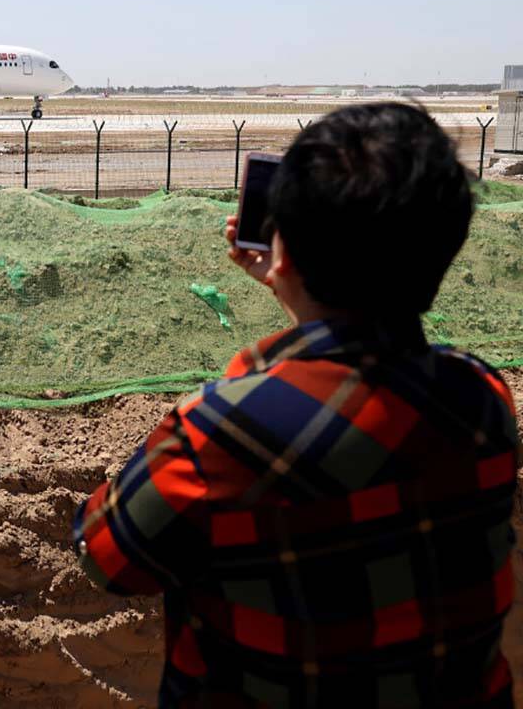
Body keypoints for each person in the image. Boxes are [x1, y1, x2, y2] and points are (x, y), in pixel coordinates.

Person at [74, 103, 519, 707]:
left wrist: (256, 355)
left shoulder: (219, 436)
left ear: (282, 252)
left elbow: (109, 559)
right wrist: (296, 284)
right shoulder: (483, 397)